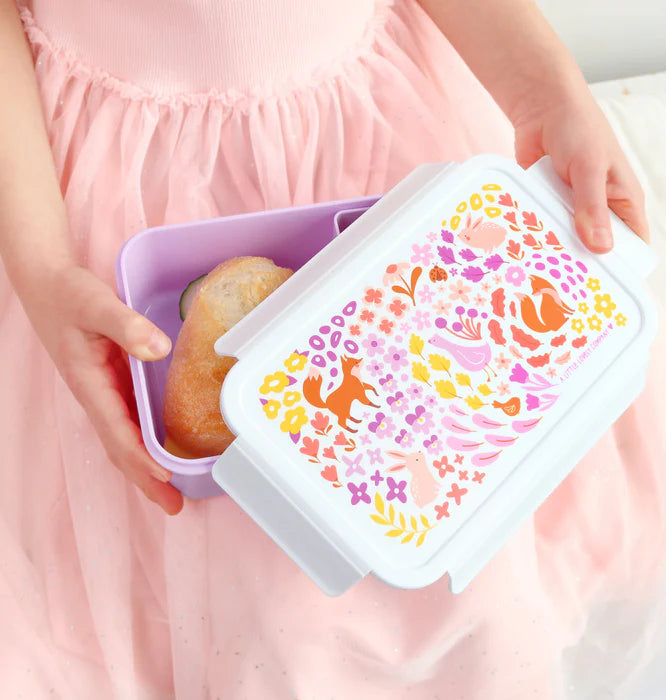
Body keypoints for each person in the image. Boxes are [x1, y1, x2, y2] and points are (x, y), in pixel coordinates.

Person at [1, 0, 664, 697]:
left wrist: (544, 93)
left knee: (470, 556)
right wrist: (43, 270)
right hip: (93, 184)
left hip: (372, 131)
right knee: (257, 609)